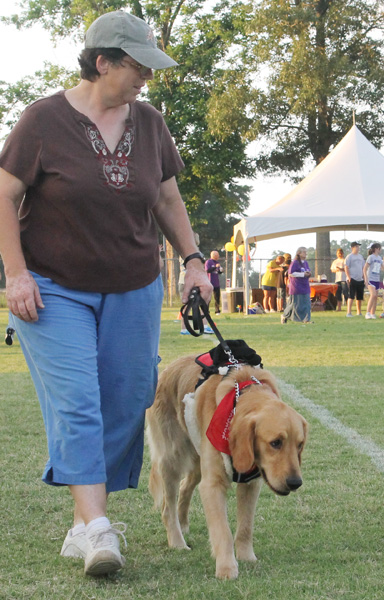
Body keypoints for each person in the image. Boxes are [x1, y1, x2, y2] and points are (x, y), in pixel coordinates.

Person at [0, 10, 213, 577]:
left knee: (127, 399)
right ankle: (99, 530)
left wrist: (193, 261)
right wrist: (15, 273)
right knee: (77, 400)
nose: (147, 77)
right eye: (138, 66)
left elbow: (167, 200)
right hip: (52, 289)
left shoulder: (150, 123)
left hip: (135, 286)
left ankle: (82, 520)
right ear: (102, 63)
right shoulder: (42, 120)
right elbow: (2, 193)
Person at [281, 247, 312, 323]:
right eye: (304, 252)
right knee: (294, 304)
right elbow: (291, 273)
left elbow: (307, 270)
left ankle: (306, 319)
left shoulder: (305, 262)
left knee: (307, 303)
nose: (306, 253)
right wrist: (302, 274)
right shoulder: (295, 262)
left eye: (306, 252)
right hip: (297, 286)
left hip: (305, 285)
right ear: (299, 253)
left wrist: (308, 273)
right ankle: (284, 315)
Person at [344, 242, 366, 317]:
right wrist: (349, 277)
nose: (358, 248)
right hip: (352, 279)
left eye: (358, 246)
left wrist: (363, 276)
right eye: (356, 246)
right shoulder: (349, 257)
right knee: (351, 296)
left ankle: (359, 312)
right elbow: (346, 267)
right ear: (352, 248)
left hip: (360, 279)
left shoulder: (360, 257)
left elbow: (363, 267)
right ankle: (349, 312)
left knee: (359, 297)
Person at [363, 242, 383, 319]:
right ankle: (367, 313)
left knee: (375, 297)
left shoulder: (379, 258)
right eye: (379, 248)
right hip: (370, 278)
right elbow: (365, 269)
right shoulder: (371, 257)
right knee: (373, 294)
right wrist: (366, 279)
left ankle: (373, 313)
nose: (380, 250)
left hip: (377, 279)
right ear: (376, 249)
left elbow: (383, 268)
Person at [205, 250, 223, 314]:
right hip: (209, 282)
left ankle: (217, 310)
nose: (218, 256)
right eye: (217, 255)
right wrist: (215, 267)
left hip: (216, 283)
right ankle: (206, 311)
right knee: (208, 298)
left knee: (217, 297)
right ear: (214, 255)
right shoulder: (208, 262)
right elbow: (207, 270)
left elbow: (218, 272)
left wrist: (220, 270)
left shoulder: (217, 262)